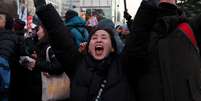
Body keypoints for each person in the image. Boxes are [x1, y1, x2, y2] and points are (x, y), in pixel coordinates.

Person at [34, 0, 136, 100]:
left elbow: (138, 39)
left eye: (104, 37)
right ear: (88, 47)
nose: (99, 40)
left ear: (112, 47)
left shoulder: (123, 65)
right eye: (94, 38)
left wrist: (148, 7)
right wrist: (43, 9)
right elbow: (61, 40)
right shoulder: (78, 65)